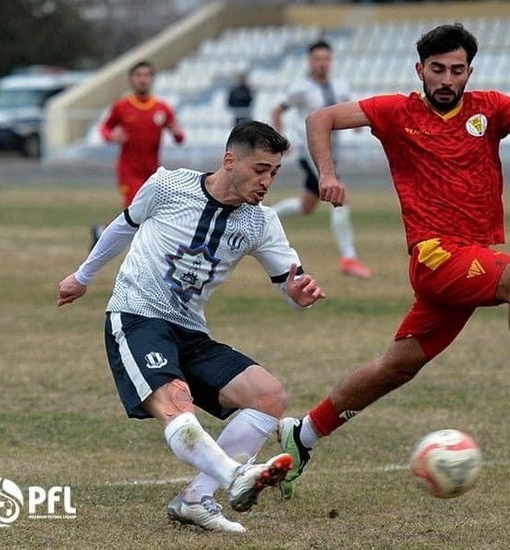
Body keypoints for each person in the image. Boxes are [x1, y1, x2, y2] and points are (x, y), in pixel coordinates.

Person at [274, 24, 510, 498]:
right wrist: (327, 174)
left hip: (468, 258)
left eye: (457, 70)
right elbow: (319, 118)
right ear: (420, 71)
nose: (447, 79)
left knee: (396, 367)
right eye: (438, 70)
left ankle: (302, 435)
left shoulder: (490, 108)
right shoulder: (395, 111)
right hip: (434, 255)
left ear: (470, 71)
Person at [58, 121, 327, 532]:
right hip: (137, 315)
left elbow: (291, 287)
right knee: (176, 402)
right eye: (260, 169)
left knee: (270, 397)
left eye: (274, 172)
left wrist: (298, 294)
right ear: (229, 160)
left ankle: (196, 499)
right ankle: (235, 476)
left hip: (190, 330)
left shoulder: (261, 222)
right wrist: (82, 276)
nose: (267, 181)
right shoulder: (168, 186)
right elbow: (123, 225)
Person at [270, 39, 373, 279]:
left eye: (325, 59)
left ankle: (262, 218)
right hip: (311, 152)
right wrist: (280, 139)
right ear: (310, 61)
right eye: (317, 59)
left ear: (331, 61)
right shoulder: (301, 89)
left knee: (307, 206)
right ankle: (349, 257)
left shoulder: (340, 86)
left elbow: (349, 110)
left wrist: (358, 125)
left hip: (331, 154)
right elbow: (278, 110)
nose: (322, 64)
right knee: (340, 197)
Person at [92, 60, 185, 246]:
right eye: (138, 76)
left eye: (147, 76)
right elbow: (105, 129)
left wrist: (177, 132)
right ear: (131, 80)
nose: (143, 80)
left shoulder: (162, 108)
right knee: (135, 210)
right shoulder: (122, 106)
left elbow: (180, 138)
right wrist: (112, 136)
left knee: (146, 212)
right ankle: (139, 246)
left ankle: (102, 231)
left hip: (152, 172)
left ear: (152, 79)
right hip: (129, 170)